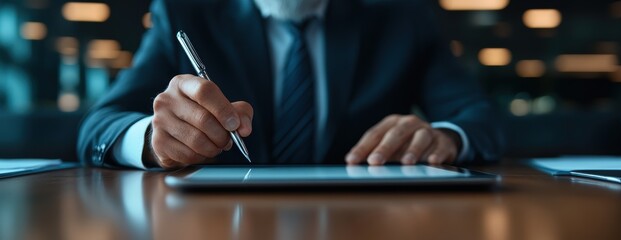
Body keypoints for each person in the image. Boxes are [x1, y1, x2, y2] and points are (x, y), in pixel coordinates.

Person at [77, 0, 504, 169]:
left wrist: (445, 137)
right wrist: (154, 139)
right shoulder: (186, 11)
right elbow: (99, 127)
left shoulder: (402, 16)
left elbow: (480, 119)